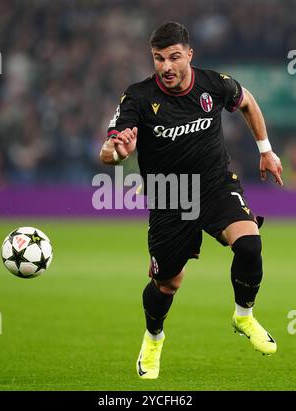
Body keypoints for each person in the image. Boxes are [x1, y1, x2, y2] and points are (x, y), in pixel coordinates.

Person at [100, 21, 283, 379]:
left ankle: (243, 316)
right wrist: (120, 153)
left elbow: (247, 101)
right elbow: (109, 151)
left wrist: (266, 150)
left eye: (173, 57)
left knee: (248, 244)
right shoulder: (138, 97)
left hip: (215, 184)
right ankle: (153, 337)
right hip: (170, 196)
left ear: (189, 55)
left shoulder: (214, 84)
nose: (166, 66)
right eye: (158, 59)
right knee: (168, 283)